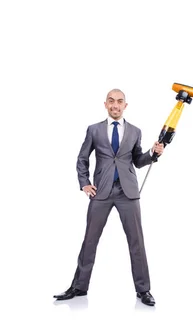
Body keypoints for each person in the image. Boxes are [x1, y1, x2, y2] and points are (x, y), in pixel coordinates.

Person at [53, 89, 164, 306]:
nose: (115, 105)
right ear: (105, 104)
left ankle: (143, 290)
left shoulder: (135, 131)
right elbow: (82, 158)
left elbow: (138, 160)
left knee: (136, 242)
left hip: (128, 192)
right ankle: (79, 286)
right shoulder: (93, 130)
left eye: (119, 102)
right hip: (101, 193)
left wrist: (152, 153)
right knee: (90, 240)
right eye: (111, 101)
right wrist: (84, 182)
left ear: (125, 106)